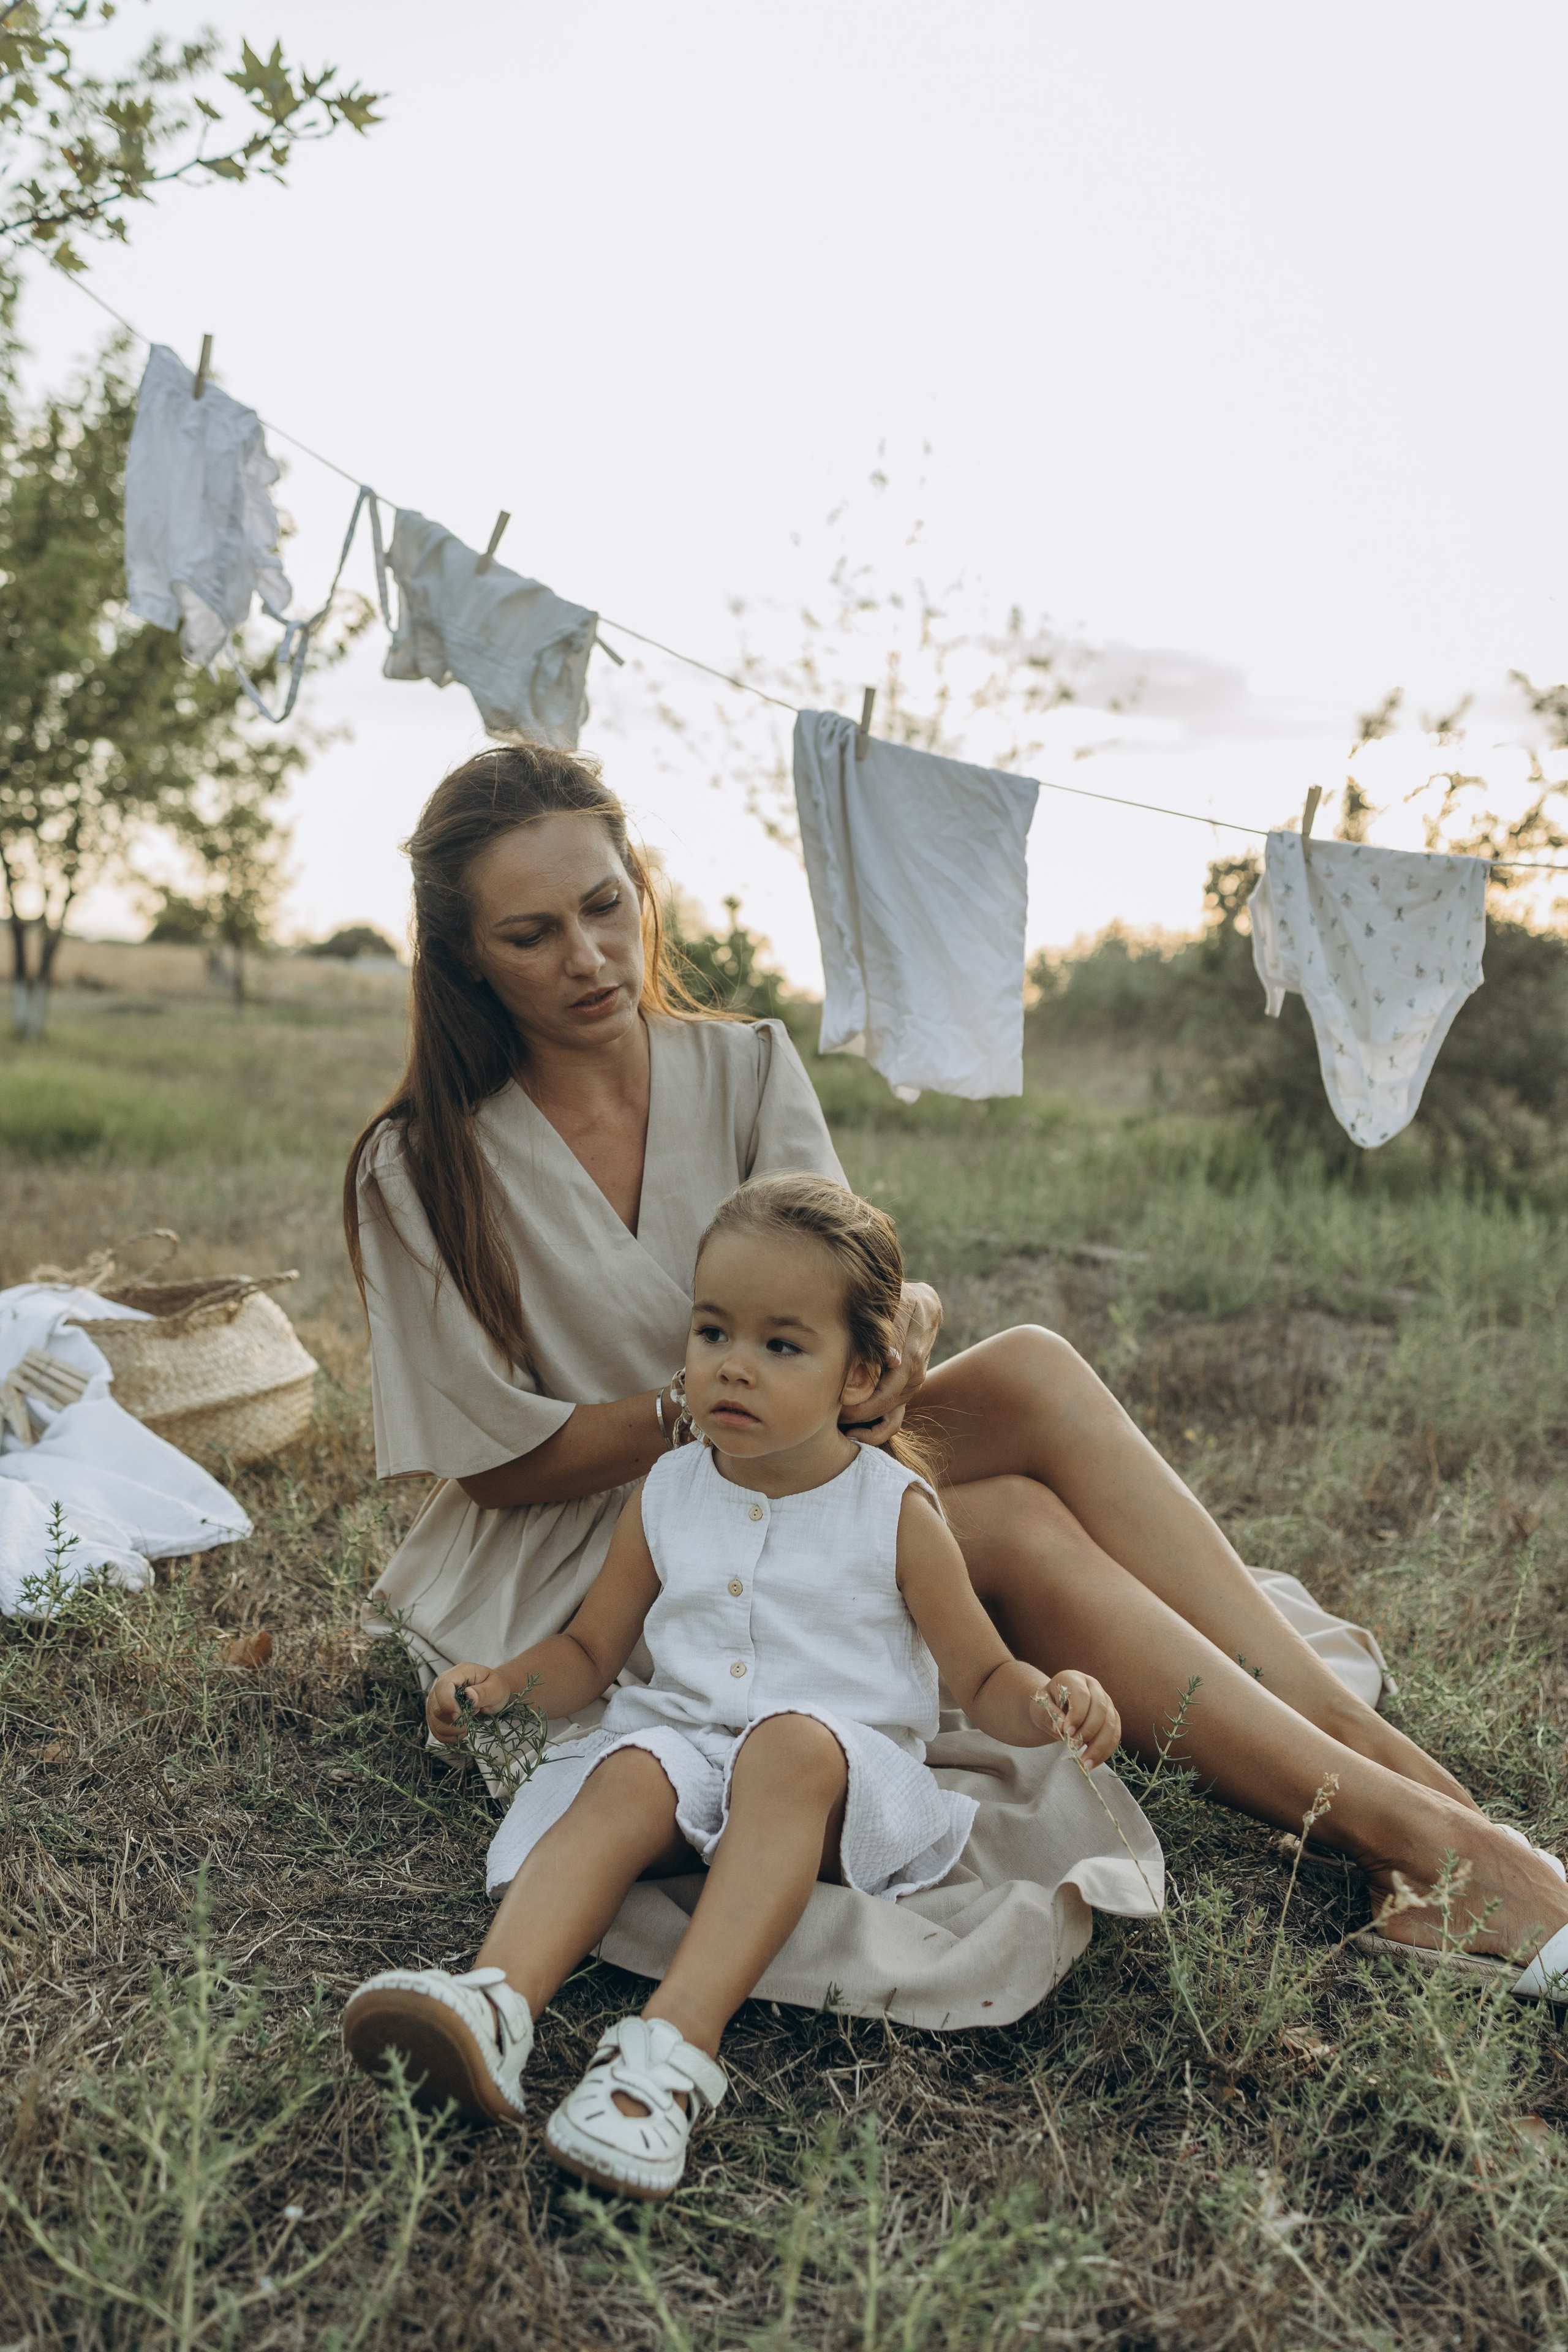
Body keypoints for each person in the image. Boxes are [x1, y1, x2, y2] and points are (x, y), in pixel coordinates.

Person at [345, 741, 1568, 2033]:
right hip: (604, 1544)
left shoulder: (745, 1064)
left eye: (604, 906)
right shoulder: (420, 1163)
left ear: (637, 885)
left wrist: (904, 1320)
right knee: (996, 1529)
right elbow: (492, 1463)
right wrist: (689, 1408)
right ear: (468, 955)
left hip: (787, 1451)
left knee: (1031, 1363)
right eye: (532, 935)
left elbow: (844, 1278)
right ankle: (1433, 1849)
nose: (587, 957)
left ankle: (1412, 1793)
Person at [344, 1175, 1128, 2195]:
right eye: (713, 1333)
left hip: (840, 1776)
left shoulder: (892, 1510)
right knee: (625, 1766)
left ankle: (668, 2057)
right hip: (692, 1754)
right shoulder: (669, 1489)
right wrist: (499, 1686)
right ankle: (498, 2002)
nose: (733, 1368)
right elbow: (590, 1651)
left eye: (781, 1345)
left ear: (862, 1377)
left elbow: (978, 1674)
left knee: (789, 1745)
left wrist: (1046, 1700)